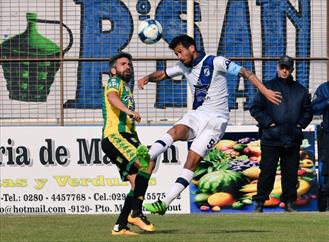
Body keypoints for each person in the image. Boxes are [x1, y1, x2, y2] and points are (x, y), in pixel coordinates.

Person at [137, 34, 282, 215]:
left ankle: (165, 202)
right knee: (176, 130)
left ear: (192, 48)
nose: (179, 57)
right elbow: (163, 74)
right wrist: (147, 78)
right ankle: (147, 156)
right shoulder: (183, 66)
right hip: (198, 114)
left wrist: (265, 91)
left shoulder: (216, 62)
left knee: (192, 161)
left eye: (180, 52)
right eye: (176, 54)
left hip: (217, 120)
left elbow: (245, 72)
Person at [101, 52, 156, 235]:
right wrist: (129, 112)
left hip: (126, 136)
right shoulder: (114, 82)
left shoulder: (125, 86)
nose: (128, 66)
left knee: (135, 183)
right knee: (147, 161)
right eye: (123, 64)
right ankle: (137, 213)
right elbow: (112, 97)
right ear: (114, 70)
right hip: (116, 135)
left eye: (129, 64)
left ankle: (120, 226)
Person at [249, 55, 313, 212]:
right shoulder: (267, 87)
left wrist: (300, 124)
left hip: (292, 137)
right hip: (271, 138)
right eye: (282, 67)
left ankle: (289, 203)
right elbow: (255, 108)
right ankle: (260, 203)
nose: (284, 70)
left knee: (290, 173)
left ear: (292, 69)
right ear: (277, 68)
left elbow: (308, 111)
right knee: (267, 172)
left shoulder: (301, 90)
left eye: (287, 68)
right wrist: (268, 123)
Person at [311, 81, 329, 211]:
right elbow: (313, 109)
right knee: (326, 171)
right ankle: (327, 205)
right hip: (328, 134)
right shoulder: (324, 88)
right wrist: (328, 102)